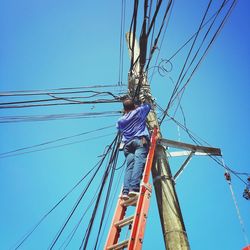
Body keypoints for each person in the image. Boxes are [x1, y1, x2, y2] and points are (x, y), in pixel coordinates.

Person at [117, 98, 151, 200]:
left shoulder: (120, 120)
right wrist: (143, 101)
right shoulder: (139, 111)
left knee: (129, 167)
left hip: (127, 145)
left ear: (125, 109)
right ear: (134, 106)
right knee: (138, 163)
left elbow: (120, 129)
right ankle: (134, 189)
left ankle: (125, 192)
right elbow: (148, 106)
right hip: (139, 141)